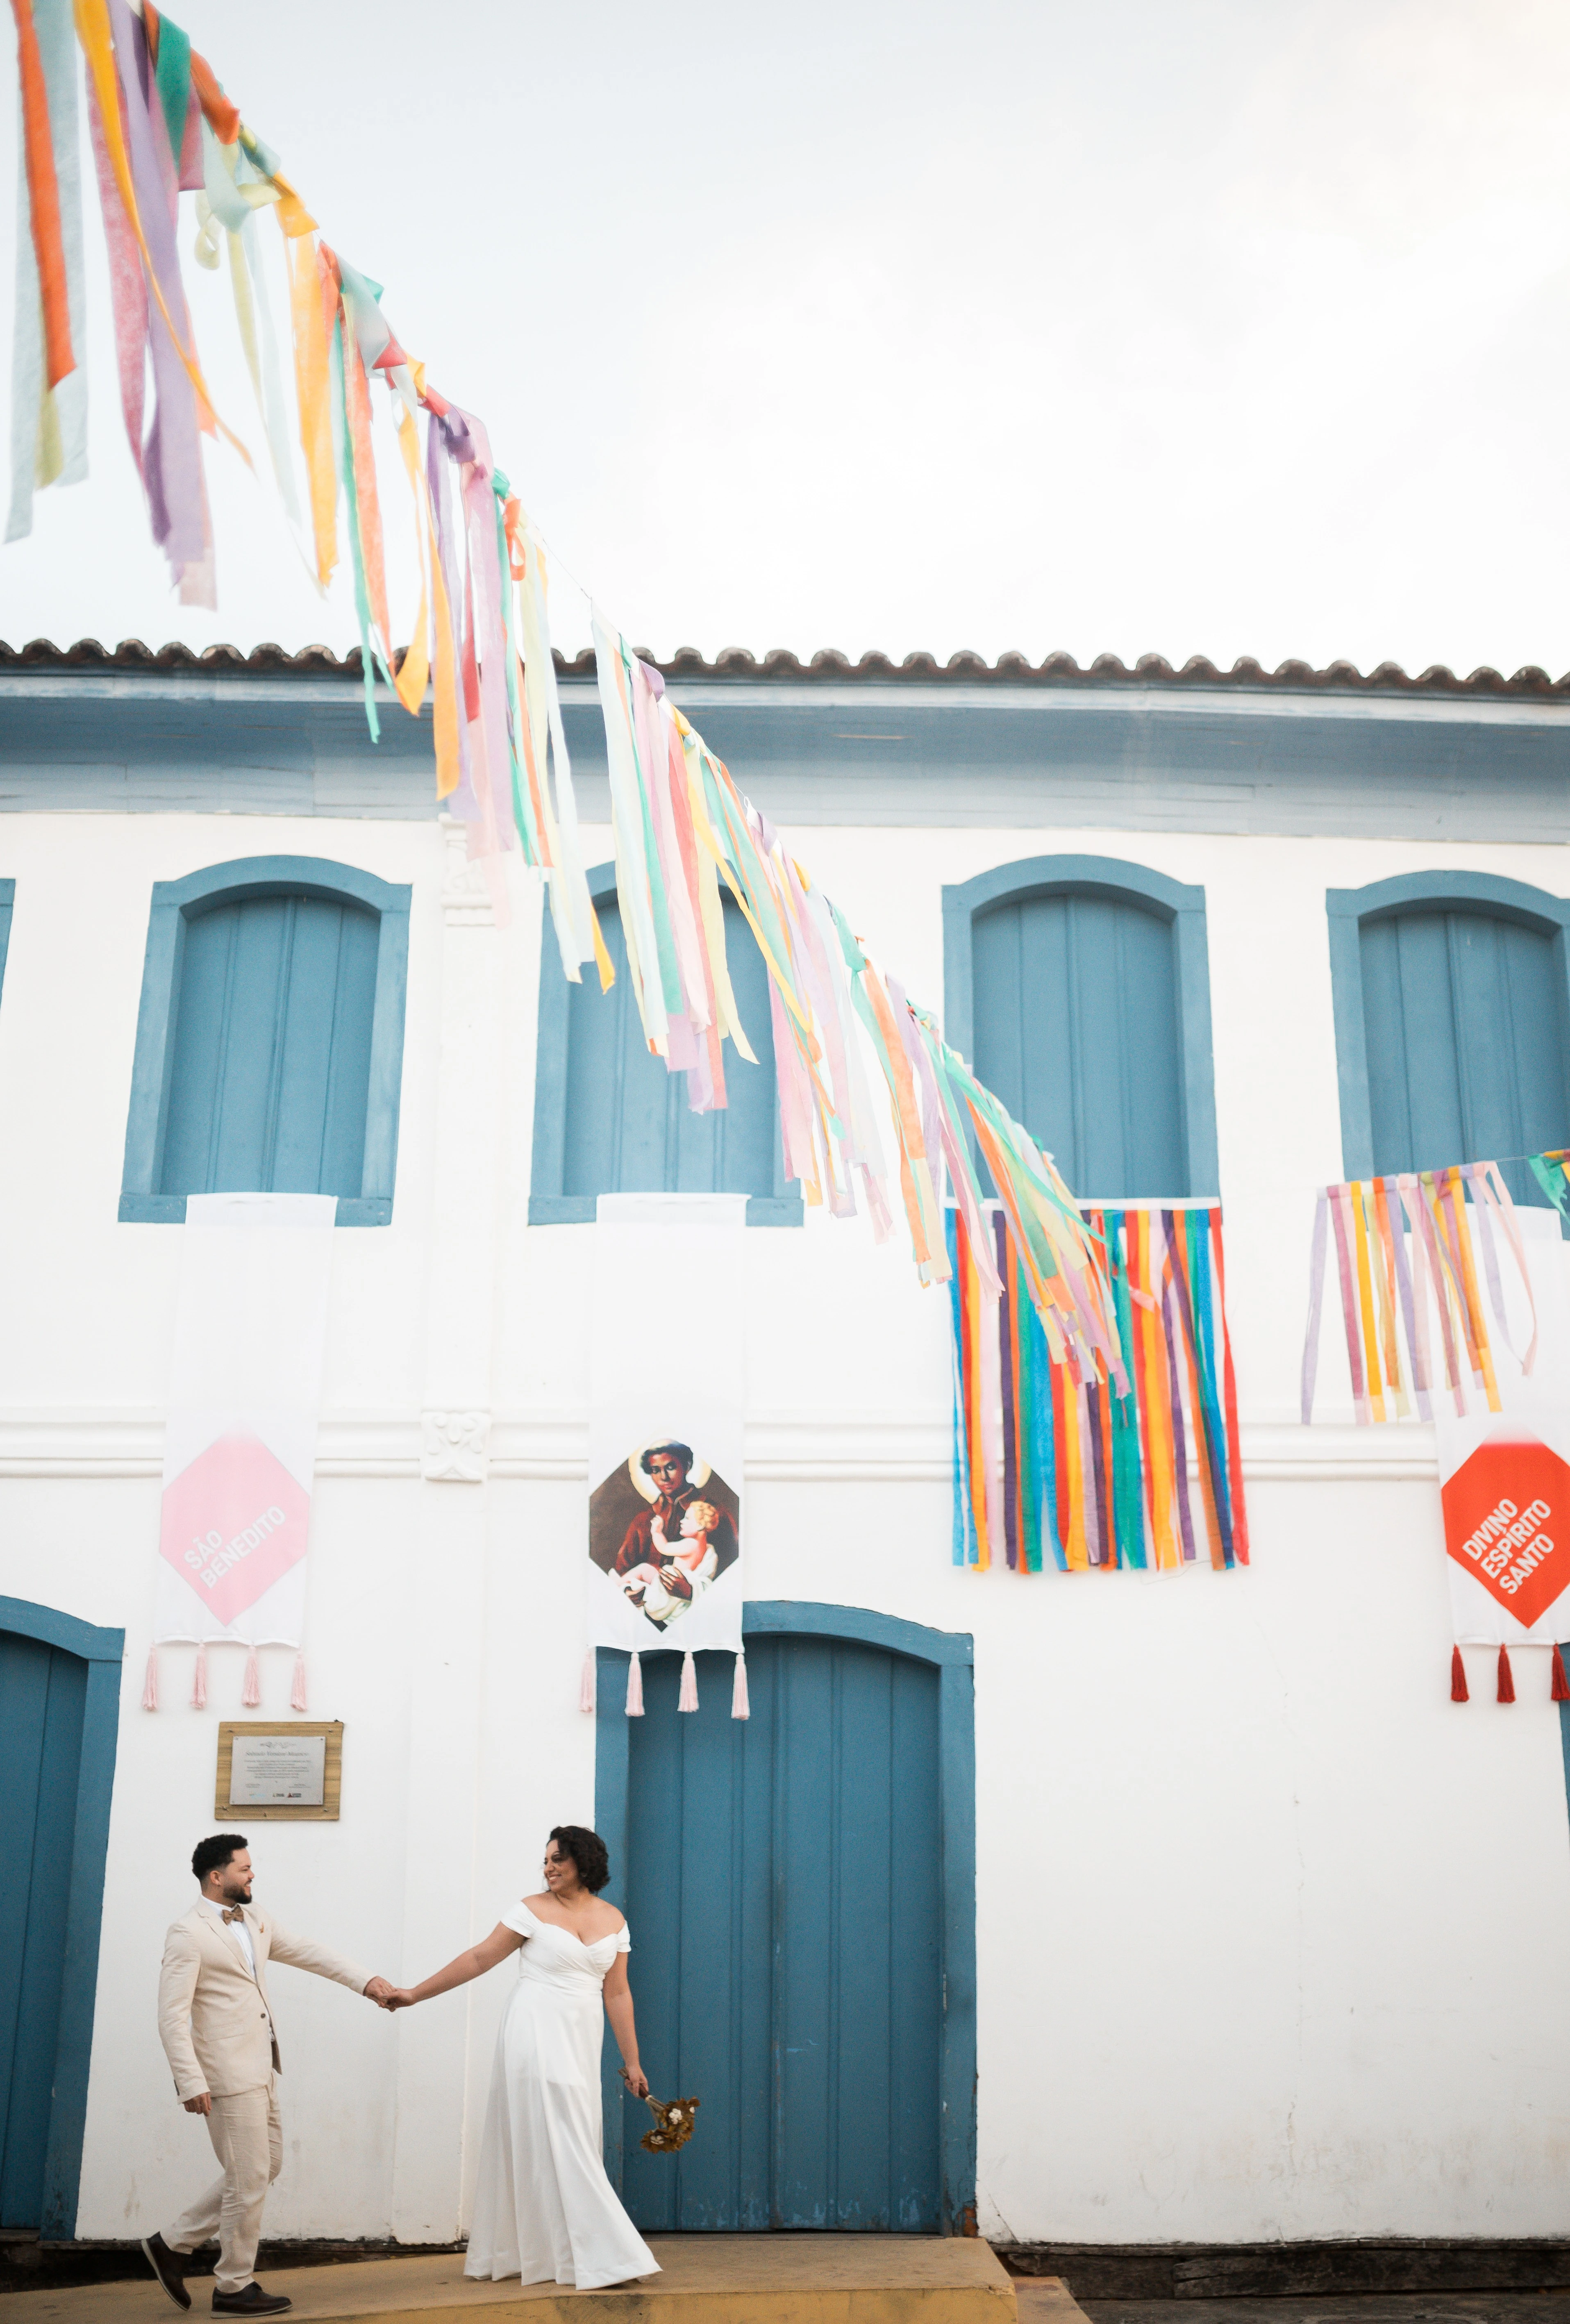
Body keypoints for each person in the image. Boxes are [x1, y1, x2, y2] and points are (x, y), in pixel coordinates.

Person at [379, 1824, 658, 2290]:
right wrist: (414, 1994)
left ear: (583, 1862)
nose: (548, 1868)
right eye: (545, 1861)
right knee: (559, 2131)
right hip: (532, 2030)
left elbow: (618, 1992)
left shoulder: (614, 1919)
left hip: (580, 2037)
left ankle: (558, 2255)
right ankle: (609, 2255)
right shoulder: (530, 1910)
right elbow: (479, 1959)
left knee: (574, 2134)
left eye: (557, 1859)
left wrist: (633, 2062)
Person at [141, 1835, 394, 2318]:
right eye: (244, 1868)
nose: (253, 1874)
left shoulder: (255, 1919)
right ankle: (233, 2286)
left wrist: (367, 1982)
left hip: (262, 2067)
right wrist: (190, 2081)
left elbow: (309, 1952)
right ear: (217, 1877)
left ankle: (173, 2244)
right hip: (225, 2074)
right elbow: (171, 2016)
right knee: (248, 2179)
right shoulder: (187, 1933)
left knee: (263, 2168)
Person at [613, 1443, 737, 1615]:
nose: (664, 1477)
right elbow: (623, 1569)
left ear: (687, 1467)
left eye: (671, 1467)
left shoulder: (716, 1515)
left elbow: (733, 1573)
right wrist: (626, 1593)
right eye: (655, 1470)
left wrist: (691, 1592)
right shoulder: (643, 1521)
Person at [619, 1497, 721, 1624]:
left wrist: (656, 1532)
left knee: (644, 1569)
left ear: (700, 1525)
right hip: (669, 1583)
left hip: (669, 1589)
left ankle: (617, 1585)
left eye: (687, 1518)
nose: (682, 1521)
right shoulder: (707, 1548)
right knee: (648, 1571)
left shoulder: (691, 1544)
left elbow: (664, 1548)